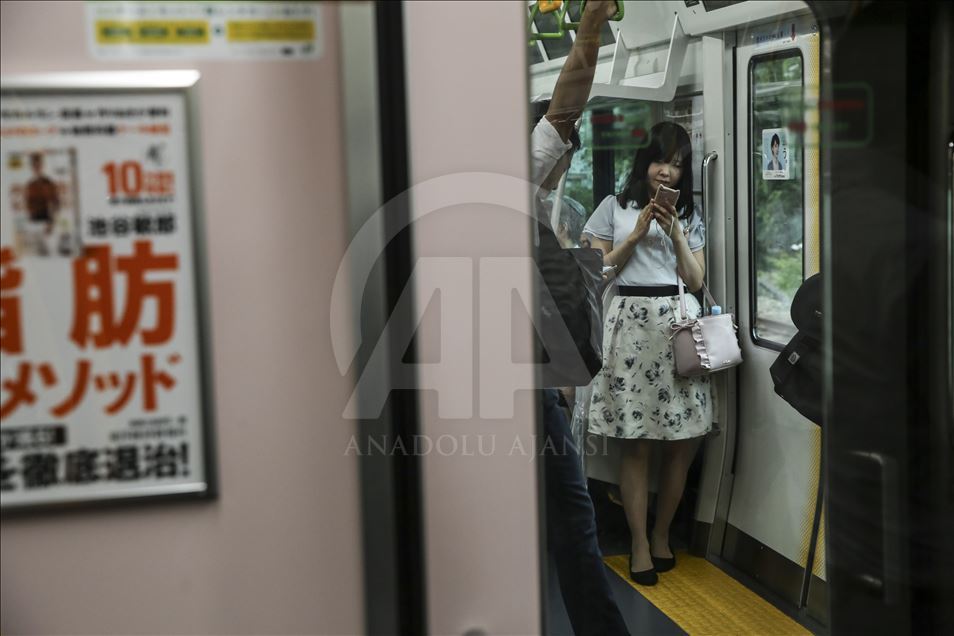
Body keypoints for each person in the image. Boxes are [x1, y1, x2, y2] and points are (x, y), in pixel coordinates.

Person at [530, 2, 630, 634]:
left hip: (530, 378)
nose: (565, 150)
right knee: (570, 517)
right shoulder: (519, 175)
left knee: (570, 514)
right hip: (511, 383)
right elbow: (565, 106)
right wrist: (590, 21)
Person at [582, 121, 712, 586]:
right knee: (635, 442)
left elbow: (696, 280)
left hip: (678, 323)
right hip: (631, 327)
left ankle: (662, 534)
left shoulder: (691, 216)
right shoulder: (613, 208)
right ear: (644, 161)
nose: (667, 173)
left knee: (682, 444)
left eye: (677, 166)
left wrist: (675, 231)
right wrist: (636, 233)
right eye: (661, 161)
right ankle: (638, 541)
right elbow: (595, 271)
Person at [25, 152, 59, 234]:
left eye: (38, 165)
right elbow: (28, 204)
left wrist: (51, 223)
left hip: (47, 222)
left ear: (42, 165)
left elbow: (56, 203)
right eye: (34, 165)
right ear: (32, 167)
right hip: (33, 224)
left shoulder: (49, 183)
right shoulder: (30, 185)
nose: (37, 168)